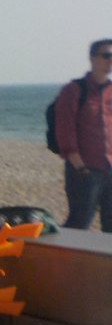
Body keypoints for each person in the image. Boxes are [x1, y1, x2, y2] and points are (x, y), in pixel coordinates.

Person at [55, 38, 112, 231]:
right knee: (79, 224)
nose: (110, 60)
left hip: (110, 168)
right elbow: (65, 131)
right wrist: (79, 167)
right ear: (92, 58)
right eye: (106, 55)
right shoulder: (74, 90)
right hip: (85, 170)